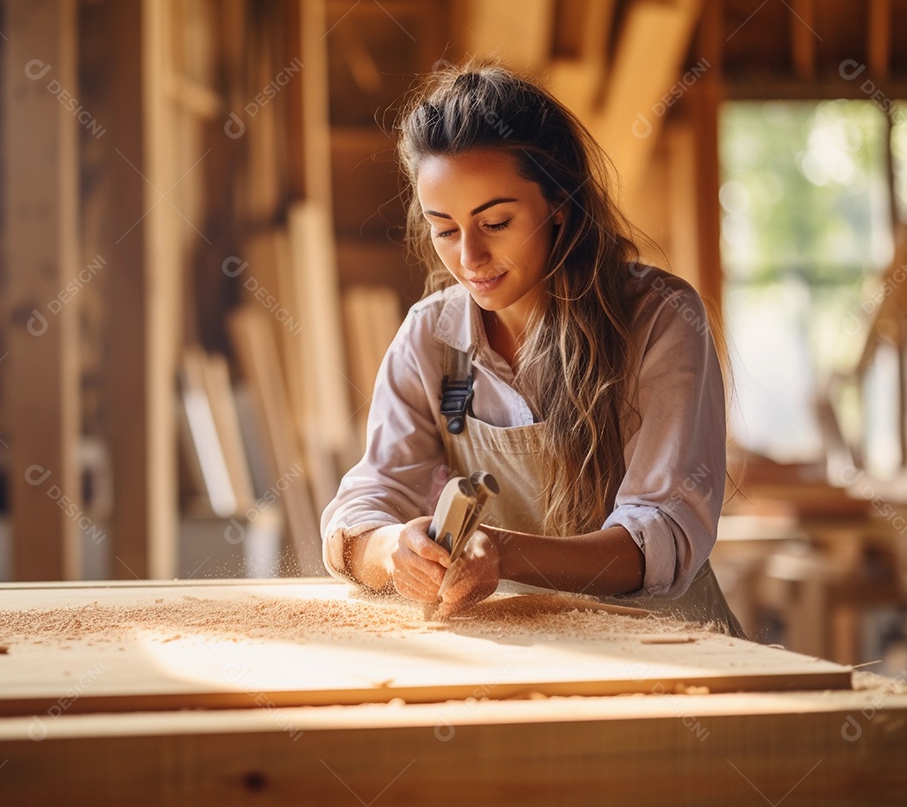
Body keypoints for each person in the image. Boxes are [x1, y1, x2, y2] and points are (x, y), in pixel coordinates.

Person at [319, 61, 745, 636]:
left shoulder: (658, 320)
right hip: (530, 651)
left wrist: (503, 554)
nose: (469, 258)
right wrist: (395, 549)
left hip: (673, 651)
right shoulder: (431, 338)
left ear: (559, 203)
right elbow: (364, 507)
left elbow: (660, 535)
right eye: (445, 229)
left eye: (495, 223)